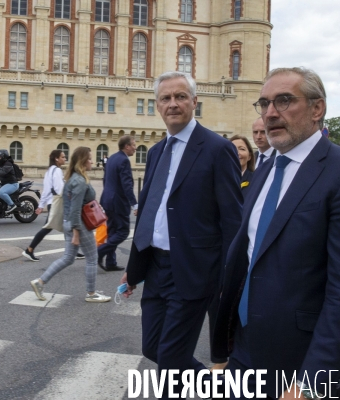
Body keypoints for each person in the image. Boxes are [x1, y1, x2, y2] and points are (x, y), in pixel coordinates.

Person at [212, 67, 340, 399]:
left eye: (284, 100)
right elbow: (247, 259)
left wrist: (311, 382)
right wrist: (224, 350)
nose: (270, 113)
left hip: (303, 361)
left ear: (317, 108)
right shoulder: (265, 171)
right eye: (264, 103)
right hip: (245, 352)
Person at [121, 71, 243, 398]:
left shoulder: (217, 149)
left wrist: (227, 280)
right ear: (157, 105)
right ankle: (224, 389)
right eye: (166, 98)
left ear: (194, 102)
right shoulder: (158, 151)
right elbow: (150, 211)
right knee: (152, 348)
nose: (173, 104)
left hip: (194, 270)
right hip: (157, 268)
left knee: (172, 361)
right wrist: (134, 271)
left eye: (180, 97)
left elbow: (233, 220)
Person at [30, 146, 111, 303]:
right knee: (92, 257)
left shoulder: (72, 178)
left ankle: (40, 282)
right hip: (78, 225)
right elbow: (75, 208)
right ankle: (91, 293)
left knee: (68, 258)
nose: (92, 161)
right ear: (82, 161)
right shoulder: (80, 181)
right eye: (89, 158)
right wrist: (76, 232)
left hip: (69, 222)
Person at [22, 150, 85, 261]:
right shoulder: (57, 171)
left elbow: (46, 190)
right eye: (63, 157)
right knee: (51, 228)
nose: (65, 159)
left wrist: (41, 205)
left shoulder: (49, 171)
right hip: (58, 204)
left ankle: (72, 251)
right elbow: (60, 189)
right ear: (56, 158)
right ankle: (29, 249)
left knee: (66, 227)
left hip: (53, 203)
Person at [97, 136, 138, 272]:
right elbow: (127, 185)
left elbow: (105, 180)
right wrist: (135, 204)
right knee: (123, 232)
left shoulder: (112, 158)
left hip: (107, 200)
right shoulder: (124, 160)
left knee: (112, 231)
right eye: (133, 145)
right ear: (126, 146)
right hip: (118, 202)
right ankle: (100, 252)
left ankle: (111, 262)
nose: (135, 147)